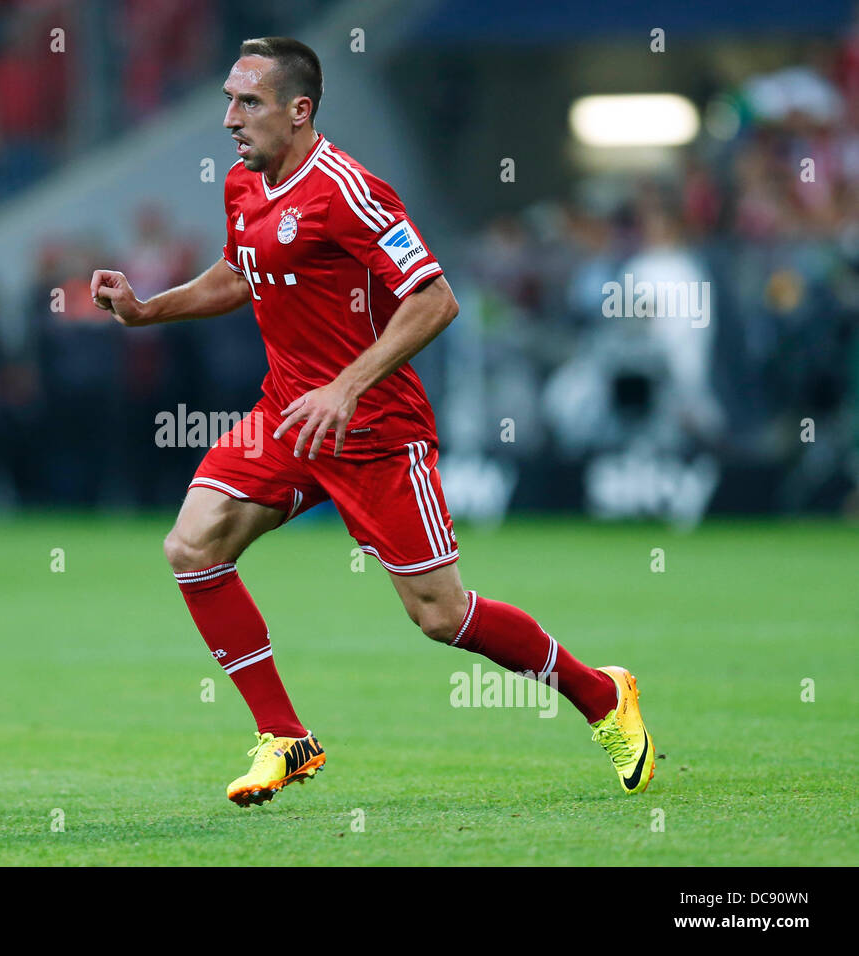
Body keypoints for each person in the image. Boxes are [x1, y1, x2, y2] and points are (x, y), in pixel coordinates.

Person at [90, 37, 656, 807]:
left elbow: (435, 299)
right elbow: (239, 272)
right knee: (192, 545)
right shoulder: (243, 185)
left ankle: (601, 694)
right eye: (227, 99)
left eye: (247, 102)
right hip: (288, 415)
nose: (229, 118)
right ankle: (285, 738)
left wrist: (346, 388)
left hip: (374, 429)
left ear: (300, 110)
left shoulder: (349, 191)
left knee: (441, 614)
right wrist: (149, 309)